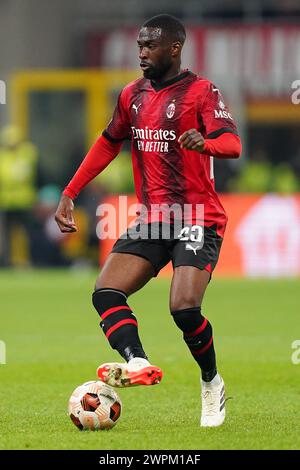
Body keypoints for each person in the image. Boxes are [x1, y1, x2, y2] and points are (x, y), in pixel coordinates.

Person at [55, 14, 242, 427]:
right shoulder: (131, 95)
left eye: (150, 46)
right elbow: (108, 144)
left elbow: (233, 142)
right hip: (155, 217)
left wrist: (207, 143)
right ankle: (137, 361)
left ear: (174, 48)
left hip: (198, 215)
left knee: (184, 308)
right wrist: (70, 192)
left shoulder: (201, 92)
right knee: (105, 291)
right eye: (139, 45)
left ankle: (211, 381)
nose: (141, 52)